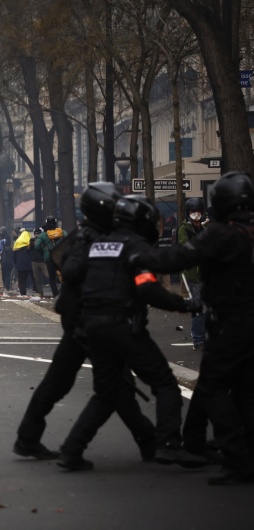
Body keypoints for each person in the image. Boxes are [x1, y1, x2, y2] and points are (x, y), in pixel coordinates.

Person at [56, 194, 206, 470]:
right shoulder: (135, 246)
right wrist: (184, 304)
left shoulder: (97, 244)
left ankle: (71, 449)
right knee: (164, 383)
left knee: (106, 392)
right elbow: (147, 287)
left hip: (92, 326)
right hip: (122, 326)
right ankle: (169, 444)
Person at [14, 183, 155, 462]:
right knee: (117, 384)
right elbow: (73, 271)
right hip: (87, 317)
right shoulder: (90, 238)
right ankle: (149, 442)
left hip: (78, 317)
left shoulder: (84, 235)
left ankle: (28, 437)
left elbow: (61, 264)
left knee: (60, 381)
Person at [133, 172, 254, 484]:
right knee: (242, 388)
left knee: (213, 387)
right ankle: (204, 444)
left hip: (230, 321)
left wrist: (139, 255)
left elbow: (180, 256)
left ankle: (238, 455)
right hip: (244, 321)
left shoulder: (222, 233)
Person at [176, 198, 206, 350]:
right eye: (193, 212)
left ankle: (205, 336)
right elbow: (185, 247)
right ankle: (198, 340)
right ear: (188, 214)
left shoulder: (205, 230)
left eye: (198, 212)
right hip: (192, 275)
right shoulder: (184, 229)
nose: (196, 215)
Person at [12, 228, 34, 297]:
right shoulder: (30, 244)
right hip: (30, 265)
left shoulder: (17, 243)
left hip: (20, 265)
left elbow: (14, 256)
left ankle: (23, 293)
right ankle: (36, 290)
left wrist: (16, 264)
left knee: (21, 280)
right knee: (33, 278)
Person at [30, 227, 47, 298]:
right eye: (35, 233)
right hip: (34, 261)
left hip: (43, 261)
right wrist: (31, 242)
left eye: (38, 233)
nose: (36, 235)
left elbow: (45, 249)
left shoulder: (43, 240)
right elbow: (28, 249)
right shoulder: (32, 240)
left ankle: (56, 290)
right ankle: (40, 293)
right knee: (37, 278)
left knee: (48, 275)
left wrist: (39, 243)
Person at [0, 226, 15, 291]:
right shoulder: (7, 237)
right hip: (7, 259)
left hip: (4, 260)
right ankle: (7, 286)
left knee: (5, 273)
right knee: (7, 273)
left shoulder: (4, 239)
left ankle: (5, 286)